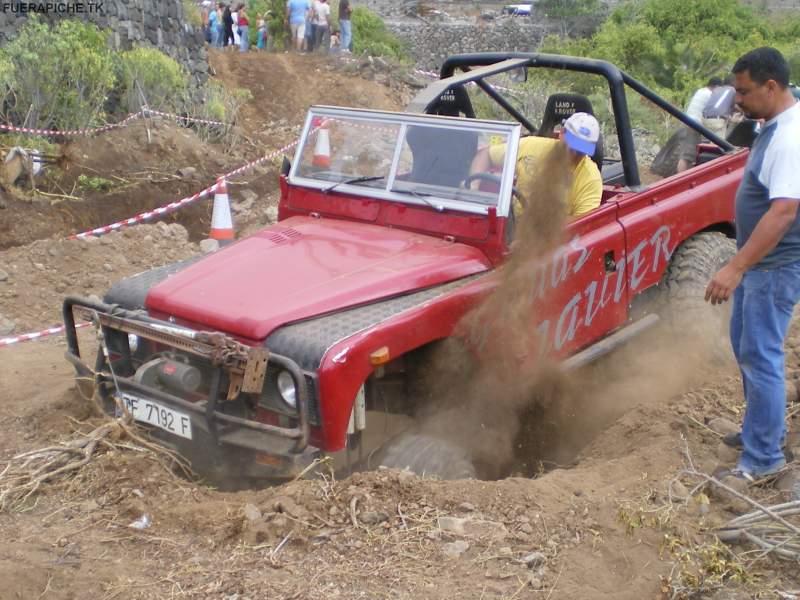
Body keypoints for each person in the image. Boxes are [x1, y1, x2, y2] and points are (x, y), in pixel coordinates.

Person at [705, 47, 800, 484]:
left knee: (761, 355)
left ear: (771, 87)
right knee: (748, 347)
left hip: (772, 267)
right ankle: (762, 432)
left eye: (743, 92)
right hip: (759, 265)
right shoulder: (773, 127)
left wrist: (735, 267)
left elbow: (783, 212)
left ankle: (764, 459)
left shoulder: (789, 139)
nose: (737, 101)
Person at [469, 112, 602, 219]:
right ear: (561, 133)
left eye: (580, 151)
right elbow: (485, 155)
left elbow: (582, 225)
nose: (574, 154)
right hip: (514, 224)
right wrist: (472, 189)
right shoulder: (531, 146)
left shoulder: (590, 179)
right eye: (571, 146)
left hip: (556, 237)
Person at [677, 77, 722, 172]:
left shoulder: (701, 91)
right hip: (694, 124)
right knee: (687, 156)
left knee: (688, 154)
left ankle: (684, 176)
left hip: (688, 121)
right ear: (717, 86)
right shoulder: (710, 95)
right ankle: (681, 178)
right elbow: (713, 113)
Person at [702, 75, 736, 139]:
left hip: (704, 120)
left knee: (705, 143)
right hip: (717, 122)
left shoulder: (717, 89)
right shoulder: (733, 90)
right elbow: (735, 106)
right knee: (718, 144)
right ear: (734, 83)